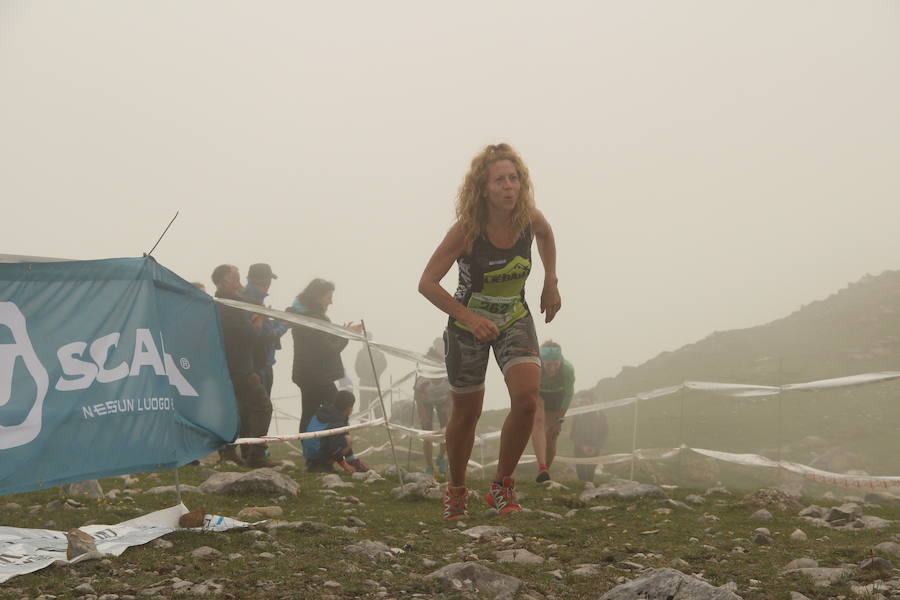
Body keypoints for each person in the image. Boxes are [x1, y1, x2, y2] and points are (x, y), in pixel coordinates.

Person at [418, 142, 561, 520]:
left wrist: (551, 280)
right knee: (467, 414)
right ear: (483, 188)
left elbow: (547, 235)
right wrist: (468, 318)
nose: (509, 187)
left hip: (514, 316)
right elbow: (427, 283)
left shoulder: (530, 218)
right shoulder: (466, 231)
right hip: (469, 326)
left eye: (514, 179)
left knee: (528, 399)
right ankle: (457, 491)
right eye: (499, 180)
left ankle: (502, 485)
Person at [211, 264, 278, 468]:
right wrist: (260, 319)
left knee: (235, 410)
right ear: (224, 282)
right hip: (239, 367)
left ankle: (229, 453)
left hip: (230, 366)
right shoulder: (229, 306)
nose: (241, 285)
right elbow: (251, 335)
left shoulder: (223, 303)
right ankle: (255, 454)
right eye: (237, 280)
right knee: (263, 406)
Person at [288, 278, 363, 434]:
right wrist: (347, 335)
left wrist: (343, 332)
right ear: (317, 297)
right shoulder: (313, 319)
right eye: (328, 297)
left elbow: (322, 344)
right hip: (317, 376)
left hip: (307, 374)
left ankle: (311, 450)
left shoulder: (305, 315)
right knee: (339, 410)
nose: (331, 302)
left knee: (308, 412)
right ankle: (344, 450)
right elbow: (328, 350)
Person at [531, 340, 575, 482]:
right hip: (540, 394)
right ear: (542, 361)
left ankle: (544, 472)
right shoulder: (535, 365)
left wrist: (559, 420)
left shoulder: (567, 368)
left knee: (551, 435)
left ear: (560, 360)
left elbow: (569, 394)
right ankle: (542, 465)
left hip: (558, 396)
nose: (552, 368)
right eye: (548, 364)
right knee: (538, 421)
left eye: (555, 364)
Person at [243, 263, 289, 398]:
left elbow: (264, 326)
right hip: (259, 366)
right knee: (261, 410)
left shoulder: (247, 297)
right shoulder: (253, 301)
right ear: (266, 282)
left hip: (254, 365)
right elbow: (266, 335)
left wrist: (279, 320)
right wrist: (285, 324)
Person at [302, 390, 369, 473]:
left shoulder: (325, 410)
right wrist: (345, 466)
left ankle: (314, 464)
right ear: (349, 408)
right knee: (348, 440)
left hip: (309, 453)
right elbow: (335, 448)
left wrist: (351, 460)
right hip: (318, 453)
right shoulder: (337, 421)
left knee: (343, 438)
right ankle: (324, 466)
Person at [413, 338, 451, 475]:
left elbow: (452, 394)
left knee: (447, 431)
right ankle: (429, 466)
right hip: (426, 402)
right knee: (427, 434)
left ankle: (441, 458)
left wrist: (449, 410)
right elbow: (417, 395)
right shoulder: (424, 378)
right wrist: (423, 415)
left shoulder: (447, 377)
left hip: (443, 401)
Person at [570, 391, 608, 482]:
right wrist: (582, 446)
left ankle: (589, 486)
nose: (584, 404)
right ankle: (582, 487)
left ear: (592, 402)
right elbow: (573, 433)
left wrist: (597, 446)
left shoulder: (600, 414)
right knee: (581, 470)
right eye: (582, 402)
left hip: (594, 448)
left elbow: (604, 432)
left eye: (586, 402)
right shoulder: (577, 415)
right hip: (579, 448)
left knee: (591, 471)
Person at [354, 332, 387, 418]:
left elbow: (357, 368)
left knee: (370, 406)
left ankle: (367, 425)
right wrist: (376, 375)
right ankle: (376, 425)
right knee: (372, 405)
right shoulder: (377, 353)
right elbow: (357, 368)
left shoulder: (363, 353)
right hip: (372, 382)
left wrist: (374, 374)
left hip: (368, 382)